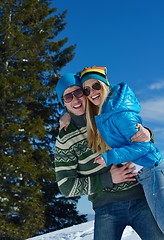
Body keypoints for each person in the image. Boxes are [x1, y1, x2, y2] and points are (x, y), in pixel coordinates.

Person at [54, 73, 164, 240]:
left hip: (140, 197)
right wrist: (108, 179)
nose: (75, 100)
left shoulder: (105, 114)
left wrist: (147, 133)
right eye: (68, 97)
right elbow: (65, 186)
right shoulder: (65, 138)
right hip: (106, 207)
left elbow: (141, 142)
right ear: (63, 102)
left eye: (78, 93)